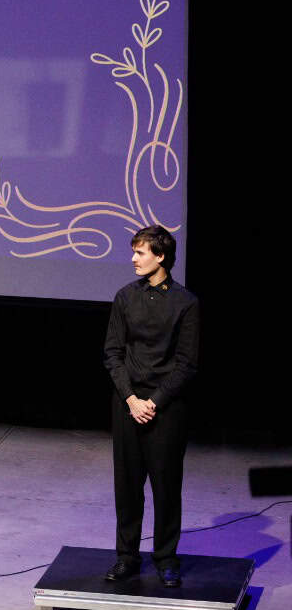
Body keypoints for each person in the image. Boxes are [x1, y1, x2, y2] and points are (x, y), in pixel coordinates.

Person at [103, 225, 199, 588]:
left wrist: (154, 402)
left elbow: (187, 363)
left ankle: (166, 557)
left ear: (160, 257)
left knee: (165, 484)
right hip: (127, 402)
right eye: (134, 251)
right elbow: (112, 353)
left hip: (166, 408)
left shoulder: (186, 303)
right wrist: (131, 398)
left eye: (140, 252)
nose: (133, 259)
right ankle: (126, 556)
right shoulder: (125, 297)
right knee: (126, 485)